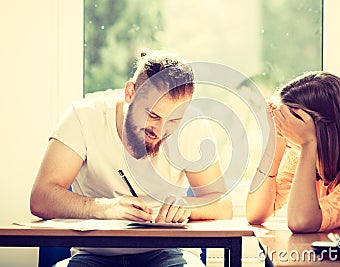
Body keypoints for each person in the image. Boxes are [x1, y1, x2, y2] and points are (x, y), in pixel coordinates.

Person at [30, 50, 232, 267]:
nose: (161, 130)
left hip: (168, 252)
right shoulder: (84, 117)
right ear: (130, 93)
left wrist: (189, 207)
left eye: (174, 120)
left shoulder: (193, 126)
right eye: (153, 115)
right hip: (94, 254)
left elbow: (222, 205)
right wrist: (104, 208)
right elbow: (41, 197)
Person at [246, 71, 340, 233]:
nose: (286, 128)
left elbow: (300, 222)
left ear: (320, 129)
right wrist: (275, 143)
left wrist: (307, 144)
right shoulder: (306, 154)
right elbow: (257, 213)